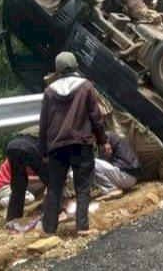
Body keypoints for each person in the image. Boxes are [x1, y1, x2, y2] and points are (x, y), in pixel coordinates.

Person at [39, 51, 109, 237]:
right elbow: (96, 116)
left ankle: (48, 230)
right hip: (81, 143)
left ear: (58, 69)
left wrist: (43, 151)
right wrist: (102, 140)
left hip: (56, 146)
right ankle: (82, 227)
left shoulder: (49, 91)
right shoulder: (85, 86)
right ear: (76, 66)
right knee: (83, 186)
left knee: (55, 188)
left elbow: (44, 123)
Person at [0, 133, 48, 221]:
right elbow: (33, 177)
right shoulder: (43, 140)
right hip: (1, 187)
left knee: (18, 188)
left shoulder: (32, 133)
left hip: (12, 146)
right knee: (49, 183)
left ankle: (13, 220)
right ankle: (0, 203)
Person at [93, 132, 141, 201]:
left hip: (127, 175)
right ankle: (113, 188)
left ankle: (112, 190)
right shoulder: (104, 140)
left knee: (91, 163)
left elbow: (108, 154)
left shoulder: (105, 139)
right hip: (129, 176)